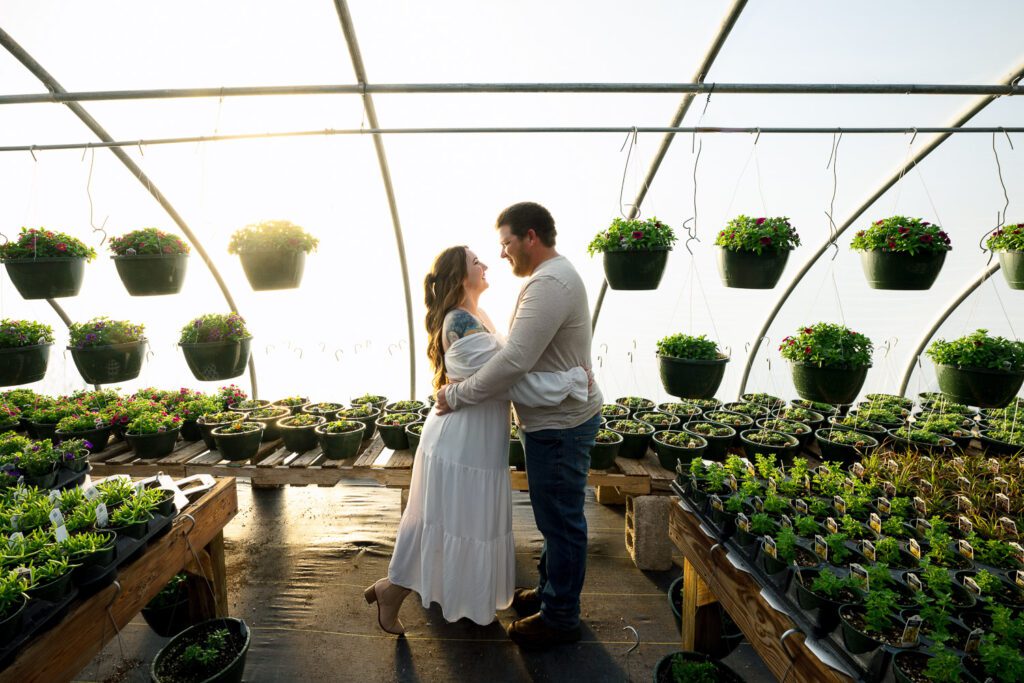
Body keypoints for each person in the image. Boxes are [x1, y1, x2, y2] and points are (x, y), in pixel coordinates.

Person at [364, 245, 589, 634]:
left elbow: (508, 370)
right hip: (461, 442)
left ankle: (395, 589)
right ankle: (393, 590)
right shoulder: (460, 323)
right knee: (452, 521)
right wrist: (569, 382)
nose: (485, 264)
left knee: (452, 520)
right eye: (475, 261)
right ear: (459, 277)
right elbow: (510, 380)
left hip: (474, 438)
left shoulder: (476, 316)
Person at [435, 201, 603, 648]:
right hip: (554, 421)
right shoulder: (549, 279)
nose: (503, 253)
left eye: (507, 242)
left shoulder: (548, 284)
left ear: (531, 237)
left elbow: (513, 362)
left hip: (561, 426)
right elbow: (517, 356)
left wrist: (456, 394)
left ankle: (560, 616)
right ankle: (551, 593)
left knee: (562, 521)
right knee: (553, 518)